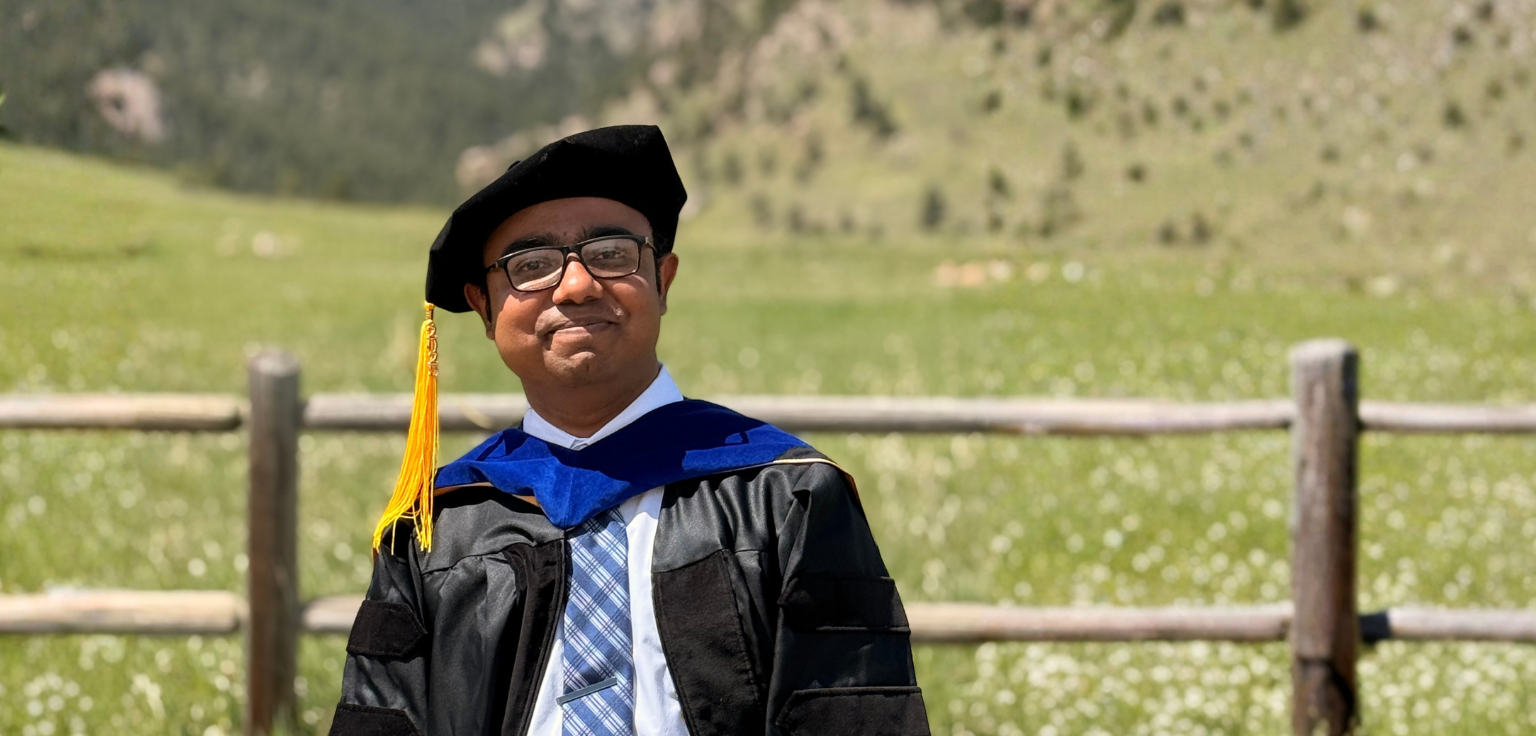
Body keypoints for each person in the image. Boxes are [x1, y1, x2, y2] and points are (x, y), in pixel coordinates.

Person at [328, 125, 928, 736]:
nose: (577, 285)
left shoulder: (785, 498)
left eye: (611, 254)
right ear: (484, 307)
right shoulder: (438, 526)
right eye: (531, 265)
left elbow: (856, 717)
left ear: (663, 281)